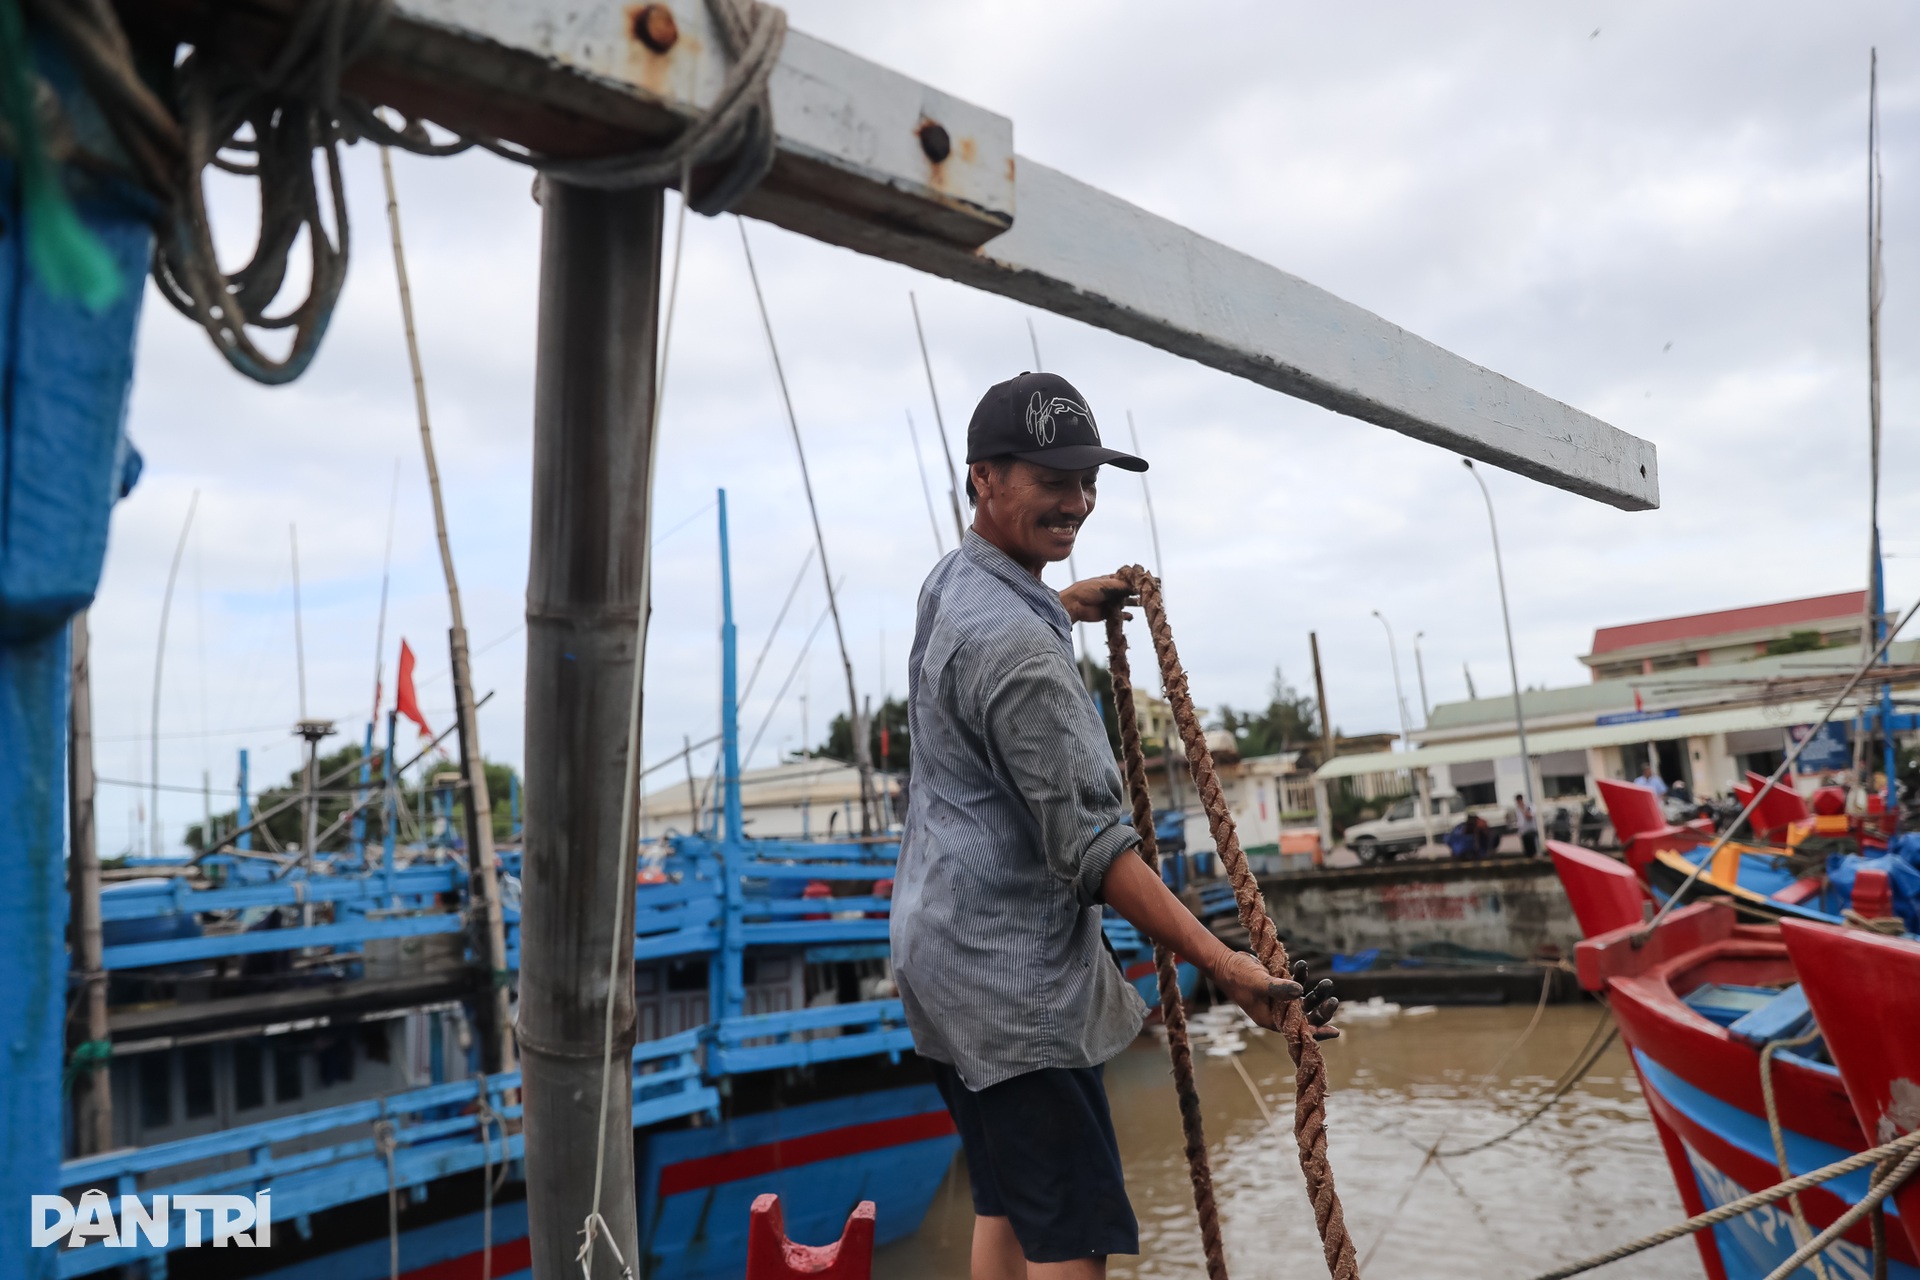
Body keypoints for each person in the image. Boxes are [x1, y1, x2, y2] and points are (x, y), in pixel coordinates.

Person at [890, 371, 1337, 1280]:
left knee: (1007, 1199)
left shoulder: (957, 584)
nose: (1078, 502)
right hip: (1014, 993)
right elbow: (1099, 852)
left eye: (1088, 481)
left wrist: (1059, 603)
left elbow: (982, 654)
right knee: (1073, 1237)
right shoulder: (1021, 654)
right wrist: (1225, 965)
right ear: (983, 477)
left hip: (940, 965)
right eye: (1053, 481)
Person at [1514, 793, 1537, 858]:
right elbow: (1519, 820)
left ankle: (1534, 857)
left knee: (1532, 848)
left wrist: (1523, 809)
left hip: (1530, 830)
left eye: (1519, 801)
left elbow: (1529, 817)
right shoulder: (1517, 809)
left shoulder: (1529, 806)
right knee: (1526, 850)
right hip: (1523, 831)